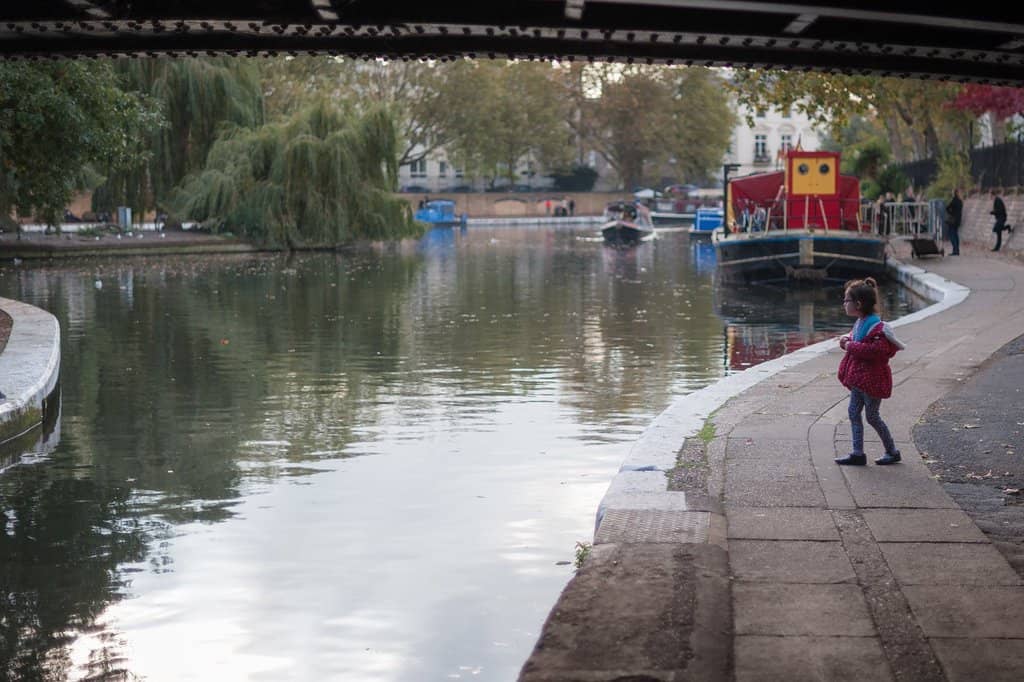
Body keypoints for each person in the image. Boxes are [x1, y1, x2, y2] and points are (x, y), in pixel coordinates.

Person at [835, 277, 906, 466]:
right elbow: (854, 338)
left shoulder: (878, 328)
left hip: (872, 380)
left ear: (858, 304)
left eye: (846, 300)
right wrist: (846, 340)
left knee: (872, 416)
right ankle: (857, 452)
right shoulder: (861, 322)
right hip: (859, 379)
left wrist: (850, 345)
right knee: (853, 412)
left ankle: (892, 450)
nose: (844, 304)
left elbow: (875, 351)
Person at [946, 187, 963, 255]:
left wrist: (951, 213)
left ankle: (955, 250)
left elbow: (947, 208)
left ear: (954, 193)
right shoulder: (960, 201)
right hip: (958, 220)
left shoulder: (954, 200)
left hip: (953, 220)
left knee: (951, 235)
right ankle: (957, 250)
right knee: (955, 234)